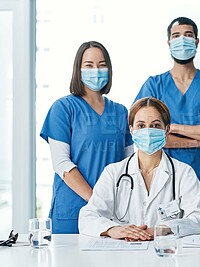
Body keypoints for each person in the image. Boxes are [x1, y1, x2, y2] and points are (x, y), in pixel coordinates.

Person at [79, 97, 200, 239]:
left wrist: (163, 229)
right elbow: (87, 217)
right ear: (131, 130)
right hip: (124, 255)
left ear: (166, 129)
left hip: (166, 254)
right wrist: (114, 230)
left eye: (155, 125)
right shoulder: (113, 173)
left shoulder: (183, 173)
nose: (148, 132)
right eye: (141, 126)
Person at [40, 41, 133, 234]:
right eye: (89, 65)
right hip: (73, 210)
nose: (96, 70)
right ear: (78, 70)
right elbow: (62, 163)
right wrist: (96, 202)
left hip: (113, 214)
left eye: (101, 65)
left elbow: (128, 165)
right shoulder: (63, 109)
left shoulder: (121, 112)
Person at [134, 17, 200, 179]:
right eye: (176, 35)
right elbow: (146, 135)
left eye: (188, 35)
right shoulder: (154, 85)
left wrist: (173, 128)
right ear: (169, 42)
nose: (182, 40)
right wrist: (198, 140)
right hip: (163, 175)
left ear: (196, 41)